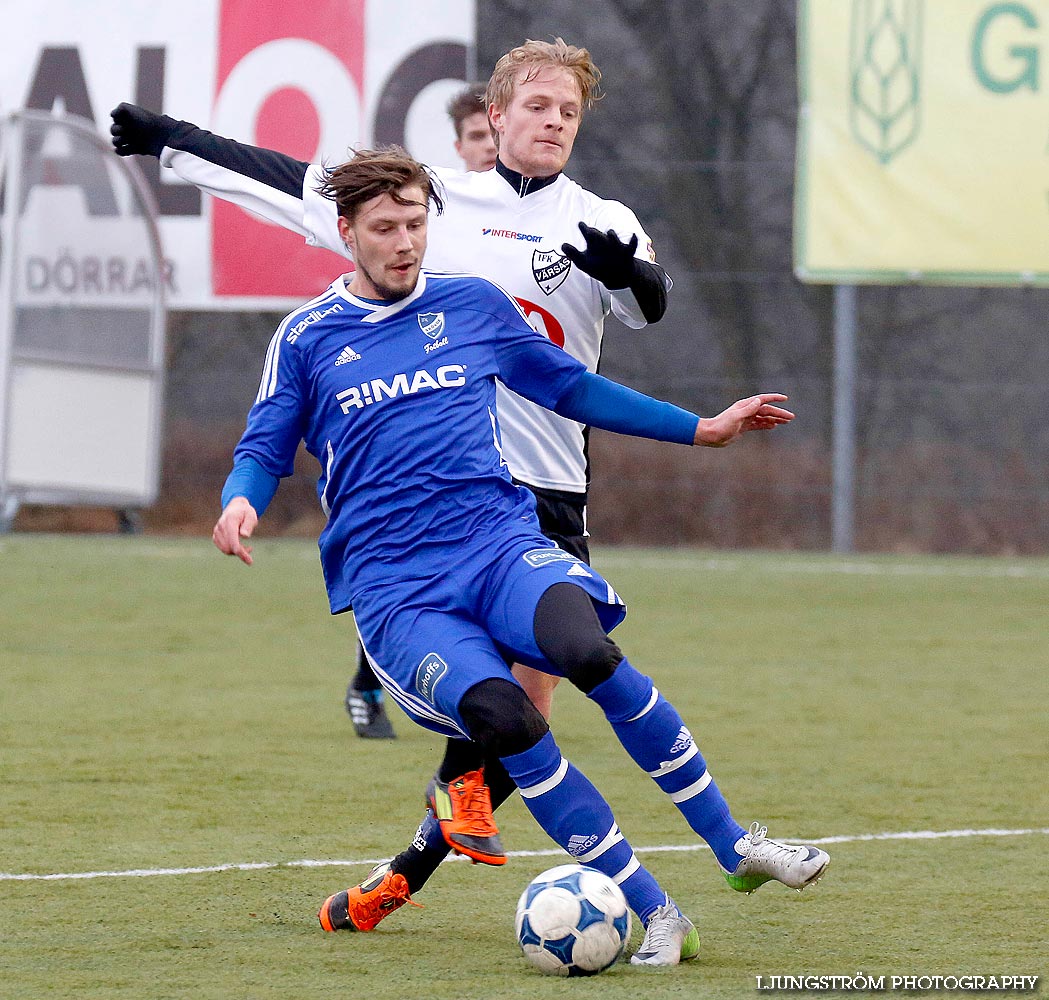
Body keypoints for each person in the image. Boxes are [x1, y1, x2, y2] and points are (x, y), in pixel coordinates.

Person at [111, 37, 815, 936]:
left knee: (542, 696)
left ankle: (420, 861)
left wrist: (623, 275)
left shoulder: (599, 216)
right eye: (537, 107)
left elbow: (644, 309)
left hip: (538, 494)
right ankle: (447, 835)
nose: (553, 122)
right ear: (496, 117)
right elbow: (290, 182)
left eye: (568, 111)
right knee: (501, 710)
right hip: (431, 504)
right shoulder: (427, 203)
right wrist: (171, 139)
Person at [341, 81, 498, 738]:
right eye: (475, 139)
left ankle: (490, 722)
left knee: (515, 598)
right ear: (458, 148)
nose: (488, 149)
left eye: (494, 136)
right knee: (415, 574)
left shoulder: (543, 215)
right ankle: (374, 680)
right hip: (438, 433)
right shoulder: (431, 220)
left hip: (525, 437)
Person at [446, 81, 498, 172]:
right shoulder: (444, 185)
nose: (491, 145)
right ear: (459, 148)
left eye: (499, 134)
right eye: (478, 137)